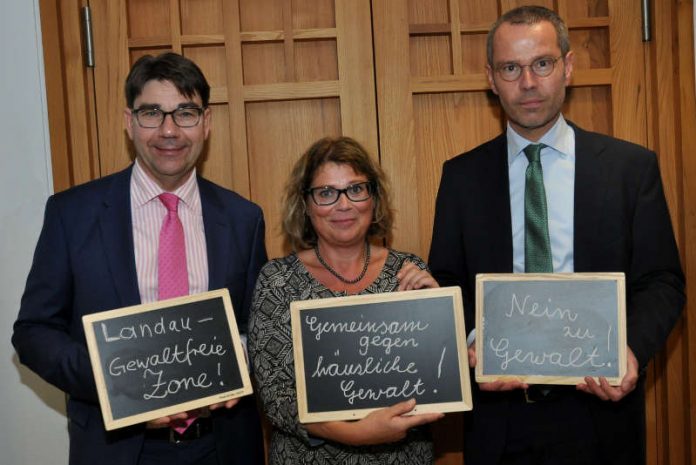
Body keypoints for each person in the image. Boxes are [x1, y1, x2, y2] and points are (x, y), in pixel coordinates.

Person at [428, 6, 685, 465]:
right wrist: (472, 344)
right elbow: (447, 279)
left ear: (567, 66)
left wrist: (631, 351)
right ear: (491, 77)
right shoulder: (461, 177)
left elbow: (663, 280)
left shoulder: (629, 169)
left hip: (601, 416)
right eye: (511, 67)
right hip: (498, 420)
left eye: (542, 63)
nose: (528, 82)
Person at [12, 52, 266, 465]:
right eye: (152, 113)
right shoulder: (72, 214)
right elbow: (34, 333)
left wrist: (241, 356)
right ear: (129, 122)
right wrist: (118, 384)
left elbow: (256, 328)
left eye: (185, 112)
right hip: (115, 449)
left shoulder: (242, 218)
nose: (169, 130)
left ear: (207, 123)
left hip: (222, 447)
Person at [248, 136, 444, 464]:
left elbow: (437, 380)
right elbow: (278, 399)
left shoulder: (408, 274)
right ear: (306, 204)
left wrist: (439, 312)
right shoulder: (277, 281)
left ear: (374, 197)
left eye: (356, 189)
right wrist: (356, 434)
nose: (343, 205)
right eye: (326, 193)